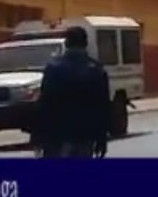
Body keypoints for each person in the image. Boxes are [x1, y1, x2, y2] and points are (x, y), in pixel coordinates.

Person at [36, 26, 111, 158]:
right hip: (85, 135)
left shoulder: (54, 68)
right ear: (86, 44)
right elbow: (103, 107)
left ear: (66, 43)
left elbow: (45, 104)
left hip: (58, 134)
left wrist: (39, 137)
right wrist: (101, 139)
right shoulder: (96, 69)